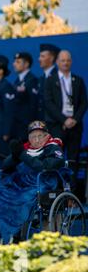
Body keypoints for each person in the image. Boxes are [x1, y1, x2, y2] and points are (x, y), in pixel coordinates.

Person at [0, 121, 66, 251]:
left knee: (22, 197)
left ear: (47, 136)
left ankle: (16, 233)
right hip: (21, 182)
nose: (36, 140)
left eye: (40, 136)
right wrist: (14, 156)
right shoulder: (26, 148)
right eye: (32, 137)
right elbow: (5, 167)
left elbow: (44, 167)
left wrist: (22, 155)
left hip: (43, 183)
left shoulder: (53, 147)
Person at [44, 50, 88, 182]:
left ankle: (71, 193)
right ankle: (57, 189)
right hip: (57, 125)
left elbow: (84, 102)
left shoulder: (78, 80)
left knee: (73, 159)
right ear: (57, 62)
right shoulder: (50, 80)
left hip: (75, 126)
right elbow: (48, 102)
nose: (65, 63)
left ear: (71, 62)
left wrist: (74, 120)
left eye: (68, 60)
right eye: (62, 60)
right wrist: (63, 120)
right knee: (56, 158)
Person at [12, 52, 39, 141]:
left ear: (26, 64)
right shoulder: (17, 80)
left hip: (27, 126)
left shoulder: (31, 80)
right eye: (15, 61)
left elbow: (33, 105)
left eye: (18, 62)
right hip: (17, 126)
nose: (14, 64)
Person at [37, 43, 60, 120]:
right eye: (40, 56)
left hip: (55, 123)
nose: (39, 59)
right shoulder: (41, 79)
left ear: (51, 58)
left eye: (42, 56)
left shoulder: (58, 77)